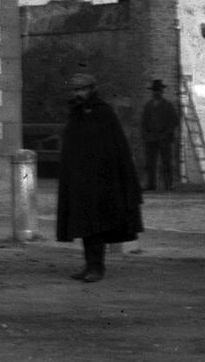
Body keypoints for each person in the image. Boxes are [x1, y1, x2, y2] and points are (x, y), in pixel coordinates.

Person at [56, 67, 142, 282]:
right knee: (85, 226)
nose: (78, 94)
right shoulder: (76, 114)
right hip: (80, 181)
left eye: (82, 89)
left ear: (92, 89)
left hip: (101, 182)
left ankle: (97, 267)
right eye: (75, 90)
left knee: (97, 226)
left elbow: (114, 149)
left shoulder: (104, 113)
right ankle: (89, 265)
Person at [140, 78, 180, 192]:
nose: (156, 92)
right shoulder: (148, 106)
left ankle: (169, 185)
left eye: (158, 90)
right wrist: (146, 135)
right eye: (154, 90)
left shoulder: (168, 106)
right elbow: (143, 122)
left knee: (166, 162)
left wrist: (166, 134)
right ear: (152, 92)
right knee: (150, 163)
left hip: (164, 139)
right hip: (151, 139)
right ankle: (151, 184)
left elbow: (174, 121)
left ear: (162, 92)